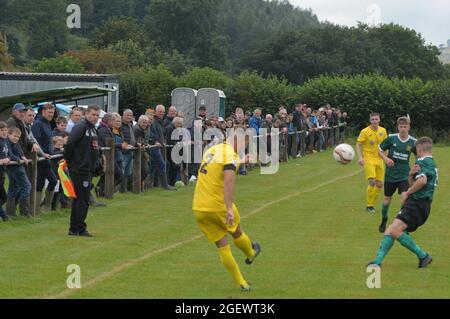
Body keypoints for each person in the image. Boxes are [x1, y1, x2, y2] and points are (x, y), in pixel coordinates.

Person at [192, 133, 261, 291]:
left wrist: (242, 161)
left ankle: (241, 282)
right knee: (236, 231)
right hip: (218, 204)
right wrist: (229, 208)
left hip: (199, 206)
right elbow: (228, 180)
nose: (244, 147)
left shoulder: (213, 149)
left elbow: (218, 167)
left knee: (222, 245)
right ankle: (250, 253)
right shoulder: (230, 154)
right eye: (245, 143)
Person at [368, 137, 436, 268]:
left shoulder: (424, 161)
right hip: (416, 204)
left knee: (394, 230)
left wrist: (408, 192)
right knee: (391, 230)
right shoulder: (428, 162)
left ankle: (423, 256)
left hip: (417, 204)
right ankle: (377, 261)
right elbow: (418, 181)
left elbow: (422, 181)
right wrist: (410, 175)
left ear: (420, 149)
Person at [65, 105, 101, 237]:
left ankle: (74, 228)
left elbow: (94, 147)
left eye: (97, 115)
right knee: (83, 200)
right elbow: (70, 144)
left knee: (80, 199)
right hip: (80, 169)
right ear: (86, 114)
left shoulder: (92, 128)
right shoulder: (81, 126)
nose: (96, 117)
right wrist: (70, 162)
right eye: (93, 114)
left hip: (88, 169)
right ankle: (79, 228)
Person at [377, 117, 417, 233]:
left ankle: (402, 223)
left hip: (405, 175)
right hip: (390, 175)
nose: (403, 129)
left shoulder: (413, 142)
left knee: (405, 197)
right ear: (398, 127)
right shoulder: (391, 138)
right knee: (387, 199)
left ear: (409, 127)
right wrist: (386, 159)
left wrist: (416, 167)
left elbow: (419, 155)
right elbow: (379, 150)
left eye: (405, 127)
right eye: (401, 127)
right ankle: (384, 219)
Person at [356, 113, 388, 213]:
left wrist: (387, 157)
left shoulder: (383, 130)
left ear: (379, 120)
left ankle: (372, 204)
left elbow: (386, 145)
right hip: (369, 158)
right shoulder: (365, 131)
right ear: (370, 120)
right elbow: (358, 145)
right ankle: (369, 205)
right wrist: (360, 158)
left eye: (376, 119)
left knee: (379, 184)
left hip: (380, 159)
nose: (374, 121)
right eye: (373, 119)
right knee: (372, 181)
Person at [31, 103, 58, 213]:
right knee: (53, 181)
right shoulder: (38, 124)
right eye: (49, 112)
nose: (51, 115)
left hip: (47, 157)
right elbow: (35, 141)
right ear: (43, 112)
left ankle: (37, 209)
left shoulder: (47, 123)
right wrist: (42, 154)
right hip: (42, 158)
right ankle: (45, 206)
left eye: (52, 113)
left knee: (40, 183)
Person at [5, 127, 31, 218]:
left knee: (13, 188)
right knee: (27, 186)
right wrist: (18, 159)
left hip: (15, 166)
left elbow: (19, 151)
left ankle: (10, 213)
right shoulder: (7, 142)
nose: (16, 138)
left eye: (18, 137)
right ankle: (24, 212)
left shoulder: (14, 143)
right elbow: (9, 154)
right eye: (14, 136)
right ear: (8, 134)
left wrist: (22, 157)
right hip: (15, 167)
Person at [149, 105, 176, 191]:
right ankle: (165, 185)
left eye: (162, 112)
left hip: (158, 146)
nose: (161, 113)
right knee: (162, 164)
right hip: (154, 147)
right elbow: (152, 134)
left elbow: (161, 133)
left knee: (153, 167)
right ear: (155, 112)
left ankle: (149, 185)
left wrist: (161, 142)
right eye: (159, 111)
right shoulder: (153, 121)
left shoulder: (160, 121)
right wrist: (156, 141)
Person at [121, 109, 136, 192]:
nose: (129, 117)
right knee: (122, 171)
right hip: (123, 152)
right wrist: (125, 145)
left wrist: (137, 144)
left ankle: (124, 189)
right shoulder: (120, 125)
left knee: (128, 173)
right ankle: (118, 189)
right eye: (127, 115)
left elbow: (132, 138)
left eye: (130, 115)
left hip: (131, 151)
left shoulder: (131, 125)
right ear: (123, 115)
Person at [0, 122, 10, 221]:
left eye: (5, 130)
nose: (4, 132)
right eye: (1, 130)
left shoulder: (5, 141)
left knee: (3, 197)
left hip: (2, 173)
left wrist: (8, 158)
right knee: (3, 197)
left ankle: (4, 216)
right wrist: (2, 161)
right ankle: (4, 216)